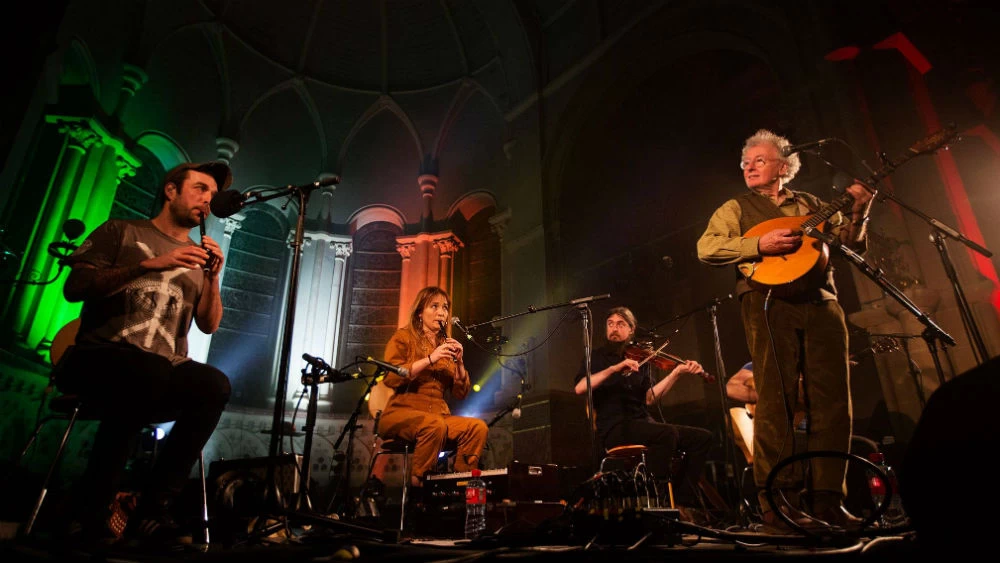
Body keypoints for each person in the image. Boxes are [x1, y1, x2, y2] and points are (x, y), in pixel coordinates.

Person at [697, 129, 873, 530]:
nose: (749, 166)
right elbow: (707, 248)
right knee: (775, 398)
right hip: (766, 302)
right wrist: (758, 246)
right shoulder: (736, 207)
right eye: (745, 162)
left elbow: (851, 244)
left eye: (759, 160)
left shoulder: (812, 205)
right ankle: (778, 505)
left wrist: (861, 210)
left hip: (821, 301)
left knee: (833, 400)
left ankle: (829, 500)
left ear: (784, 166)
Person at [56, 161, 233, 547]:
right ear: (170, 190)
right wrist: (149, 265)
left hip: (162, 369)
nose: (207, 200)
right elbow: (77, 286)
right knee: (145, 371)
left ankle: (152, 510)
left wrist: (213, 278)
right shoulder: (121, 230)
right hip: (98, 355)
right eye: (200, 189)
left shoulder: (199, 257)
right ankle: (92, 507)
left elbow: (209, 325)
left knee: (214, 385)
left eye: (212, 196)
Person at [573, 306, 713, 512]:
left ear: (631, 329)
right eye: (610, 323)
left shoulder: (641, 358)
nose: (614, 328)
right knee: (667, 434)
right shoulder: (597, 357)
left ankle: (684, 501)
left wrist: (677, 373)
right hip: (615, 428)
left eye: (620, 324)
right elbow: (579, 388)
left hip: (641, 424)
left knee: (702, 438)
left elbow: (649, 398)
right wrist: (614, 369)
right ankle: (658, 500)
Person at [377, 286, 489, 488]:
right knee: (434, 425)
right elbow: (392, 377)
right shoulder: (403, 337)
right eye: (434, 306)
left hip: (438, 415)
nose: (442, 312)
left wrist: (460, 363)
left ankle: (460, 484)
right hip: (402, 411)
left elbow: (460, 393)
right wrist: (430, 358)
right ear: (420, 312)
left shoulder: (445, 344)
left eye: (445, 307)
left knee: (477, 427)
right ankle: (419, 489)